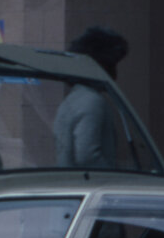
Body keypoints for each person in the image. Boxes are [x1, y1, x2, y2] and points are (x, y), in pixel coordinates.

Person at [54, 26, 129, 170]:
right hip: (92, 181)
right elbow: (87, 156)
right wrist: (113, 176)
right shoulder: (92, 101)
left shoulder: (72, 99)